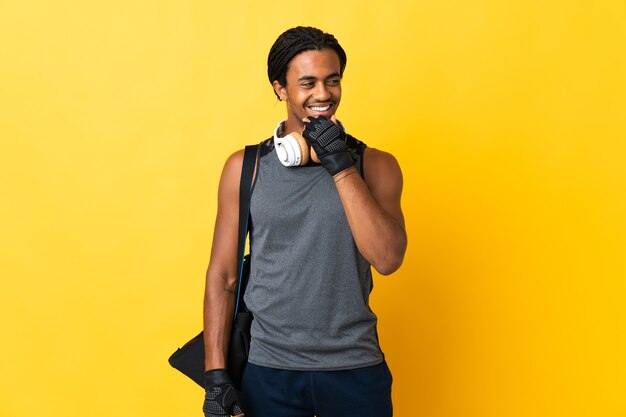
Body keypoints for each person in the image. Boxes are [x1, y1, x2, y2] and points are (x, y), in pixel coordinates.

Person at [202, 26, 407, 417]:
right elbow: (223, 276)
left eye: (332, 81)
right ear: (280, 88)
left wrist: (340, 166)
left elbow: (387, 259)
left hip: (355, 368)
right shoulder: (245, 169)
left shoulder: (376, 165)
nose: (323, 94)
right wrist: (216, 374)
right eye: (308, 82)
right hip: (268, 370)